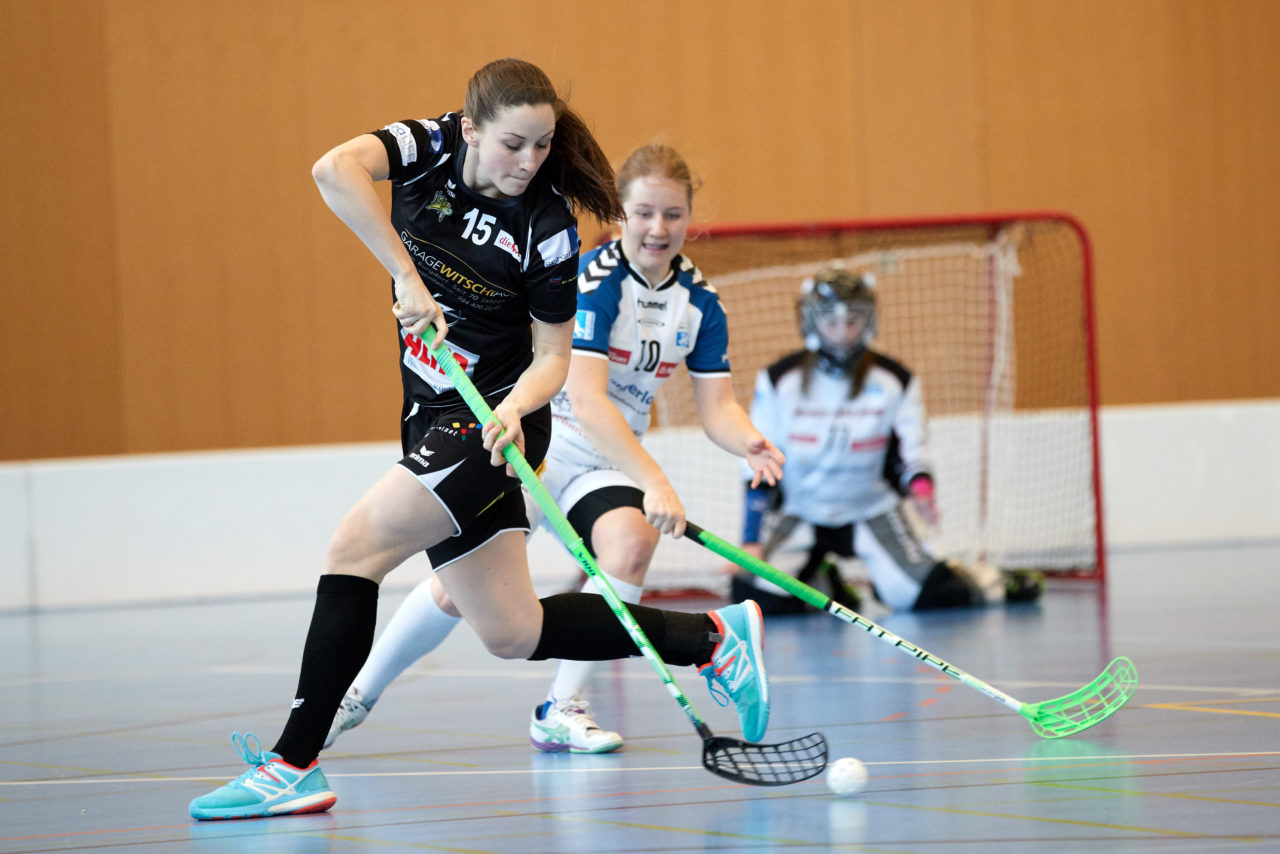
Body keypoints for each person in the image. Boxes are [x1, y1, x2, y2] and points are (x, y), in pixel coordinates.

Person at [189, 60, 770, 822]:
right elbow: (333, 171)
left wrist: (516, 409)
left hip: (495, 425)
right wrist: (404, 273)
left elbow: (555, 359)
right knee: (513, 630)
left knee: (354, 548)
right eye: (512, 145)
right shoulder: (426, 146)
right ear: (470, 129)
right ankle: (713, 641)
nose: (528, 163)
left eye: (541, 146)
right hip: (432, 413)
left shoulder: (549, 231)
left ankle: (293, 762)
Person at [322, 143, 786, 756]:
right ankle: (356, 696)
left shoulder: (699, 301)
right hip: (539, 446)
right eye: (644, 212)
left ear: (689, 218)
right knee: (455, 593)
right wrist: (655, 480)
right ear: (621, 213)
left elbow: (718, 406)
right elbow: (588, 400)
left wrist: (748, 440)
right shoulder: (592, 280)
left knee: (631, 542)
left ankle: (562, 707)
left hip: (602, 462)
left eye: (673, 215)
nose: (658, 228)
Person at [730, 267, 1044, 614]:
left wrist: (922, 492)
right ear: (810, 323)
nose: (842, 334)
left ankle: (992, 580)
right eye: (830, 323)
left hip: (870, 510)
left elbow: (913, 451)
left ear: (869, 322)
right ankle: (823, 578)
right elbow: (755, 463)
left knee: (928, 596)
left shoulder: (895, 379)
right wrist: (751, 539)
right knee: (752, 595)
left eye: (853, 322)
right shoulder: (778, 380)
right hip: (800, 511)